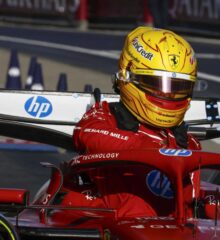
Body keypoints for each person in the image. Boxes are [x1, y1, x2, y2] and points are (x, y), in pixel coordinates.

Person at [65, 27, 200, 218]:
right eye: (158, 86)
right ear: (127, 76)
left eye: (178, 88)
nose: (168, 95)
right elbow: (85, 134)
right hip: (115, 225)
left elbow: (197, 205)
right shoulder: (104, 117)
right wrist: (151, 149)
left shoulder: (188, 143)